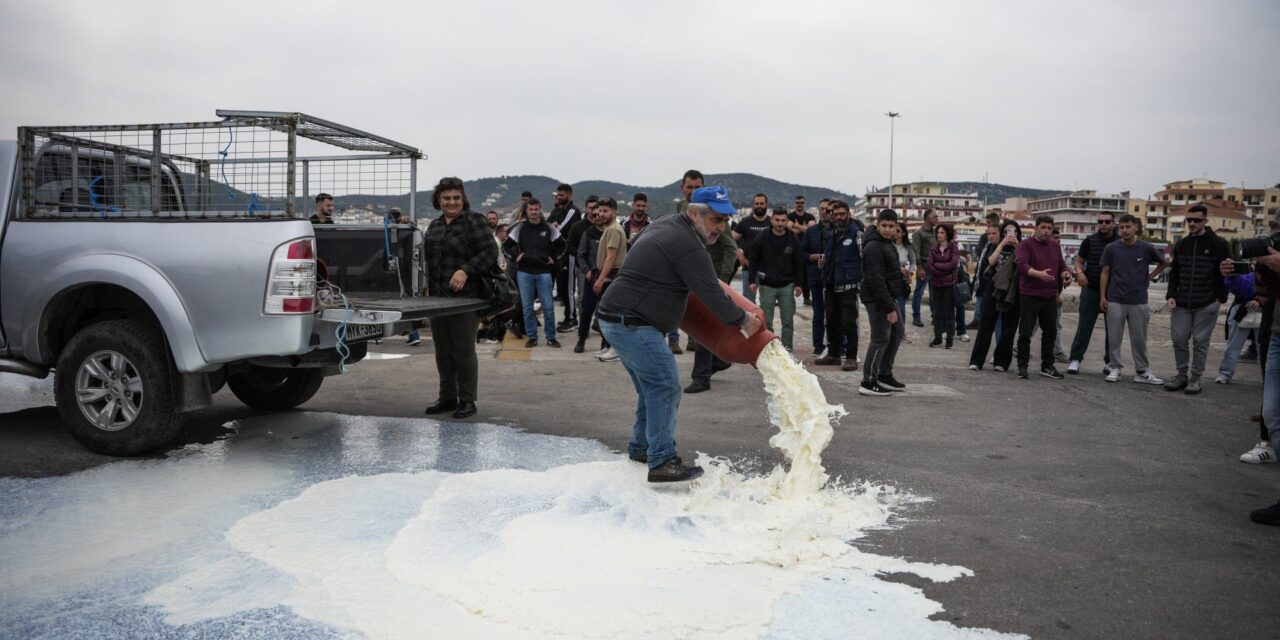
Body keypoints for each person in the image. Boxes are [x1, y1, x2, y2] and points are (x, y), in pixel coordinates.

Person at [596, 185, 762, 483]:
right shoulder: (688, 244)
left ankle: (642, 448)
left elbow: (637, 243)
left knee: (652, 387)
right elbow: (710, 291)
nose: (720, 228)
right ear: (695, 214)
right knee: (665, 385)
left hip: (617, 317)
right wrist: (742, 319)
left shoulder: (665, 222)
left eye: (725, 221)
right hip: (631, 322)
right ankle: (662, 461)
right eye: (716, 220)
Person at [422, 177, 498, 419]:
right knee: (442, 350)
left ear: (463, 199)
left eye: (456, 198)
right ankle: (447, 397)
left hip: (467, 297)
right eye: (446, 198)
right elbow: (426, 259)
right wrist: (425, 285)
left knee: (463, 350)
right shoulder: (433, 226)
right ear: (438, 200)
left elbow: (490, 252)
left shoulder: (474, 221)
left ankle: (467, 400)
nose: (452, 202)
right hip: (437, 298)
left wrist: (465, 270)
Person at [1163, 204, 1230, 394]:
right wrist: (1170, 296)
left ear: (1205, 221)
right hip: (1182, 303)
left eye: (1196, 220)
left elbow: (1228, 273)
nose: (1192, 223)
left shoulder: (1219, 244)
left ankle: (1196, 378)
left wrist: (1220, 298)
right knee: (1179, 339)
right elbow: (1174, 273)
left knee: (1200, 342)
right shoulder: (1181, 244)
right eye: (1189, 220)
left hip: (1207, 303)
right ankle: (1181, 375)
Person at [1099, 214, 1169, 384]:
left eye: (1128, 226)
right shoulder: (1111, 248)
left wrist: (1150, 276)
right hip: (1115, 298)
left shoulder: (1146, 247)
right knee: (1114, 337)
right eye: (1122, 227)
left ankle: (1142, 371)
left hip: (1138, 300)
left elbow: (1164, 262)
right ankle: (1115, 367)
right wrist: (1103, 296)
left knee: (1139, 338)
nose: (1125, 230)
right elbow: (1105, 272)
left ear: (1136, 227)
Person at [1015, 215, 1073, 379]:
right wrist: (1038, 274)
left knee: (1050, 332)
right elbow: (1022, 266)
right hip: (1029, 295)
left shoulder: (1055, 246)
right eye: (1043, 227)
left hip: (1049, 296)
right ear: (1036, 228)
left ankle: (1047, 366)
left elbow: (1061, 266)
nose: (1047, 231)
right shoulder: (1026, 245)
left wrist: (1066, 275)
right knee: (1025, 332)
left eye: (1049, 228)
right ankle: (1022, 366)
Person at [504, 197, 567, 348]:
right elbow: (505, 247)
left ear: (540, 209)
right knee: (527, 308)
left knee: (548, 307)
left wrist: (554, 258)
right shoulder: (519, 228)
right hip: (524, 273)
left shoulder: (549, 228)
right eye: (530, 210)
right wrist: (515, 257)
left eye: (536, 209)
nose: (533, 212)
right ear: (526, 211)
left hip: (544, 272)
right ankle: (532, 337)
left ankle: (551, 337)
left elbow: (563, 246)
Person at [859, 209, 907, 396]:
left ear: (897, 228)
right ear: (877, 225)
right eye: (884, 226)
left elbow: (883, 270)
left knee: (897, 332)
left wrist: (898, 271)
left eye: (891, 226)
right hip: (877, 298)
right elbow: (875, 279)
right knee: (880, 338)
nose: (887, 229)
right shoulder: (874, 246)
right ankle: (868, 381)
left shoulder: (886, 243)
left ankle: (884, 374)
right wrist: (889, 308)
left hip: (887, 296)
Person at [1066, 212, 1119, 374]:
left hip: (1114, 291)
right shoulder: (1089, 241)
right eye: (1100, 222)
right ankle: (1075, 359)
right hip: (1091, 289)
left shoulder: (1120, 242)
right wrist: (1080, 273)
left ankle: (1109, 362)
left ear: (1113, 223)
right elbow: (1079, 261)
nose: (1103, 224)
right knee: (1084, 326)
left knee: (1113, 329)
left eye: (1107, 221)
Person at [814, 200, 862, 371]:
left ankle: (850, 357)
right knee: (831, 321)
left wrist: (861, 283)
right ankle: (833, 354)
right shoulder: (831, 234)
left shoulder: (856, 234)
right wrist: (823, 264)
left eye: (843, 214)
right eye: (836, 214)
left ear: (848, 214)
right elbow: (831, 257)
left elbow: (864, 259)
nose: (839, 217)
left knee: (849, 322)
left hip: (848, 285)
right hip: (831, 283)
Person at [748, 208, 805, 351]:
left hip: (787, 284)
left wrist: (799, 284)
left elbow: (799, 262)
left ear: (787, 221)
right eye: (777, 220)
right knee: (766, 322)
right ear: (772, 220)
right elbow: (753, 259)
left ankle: (787, 350)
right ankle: (770, 351)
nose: (780, 223)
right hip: (767, 284)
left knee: (788, 321)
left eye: (783, 220)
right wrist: (752, 280)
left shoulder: (793, 238)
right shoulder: (762, 237)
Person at [969, 221, 1022, 371]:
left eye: (1013, 231)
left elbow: (1023, 263)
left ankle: (1002, 362)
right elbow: (990, 262)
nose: (1010, 234)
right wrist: (1002, 244)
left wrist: (1017, 246)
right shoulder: (995, 246)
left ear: (1018, 233)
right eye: (1006, 231)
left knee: (1008, 326)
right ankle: (977, 361)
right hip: (993, 286)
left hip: (1012, 288)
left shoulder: (1023, 246)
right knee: (986, 323)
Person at [590, 199, 628, 362]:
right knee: (606, 315)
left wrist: (601, 279)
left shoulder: (613, 229)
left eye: (605, 211)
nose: (601, 214)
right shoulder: (610, 229)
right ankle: (607, 346)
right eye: (600, 211)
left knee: (612, 315)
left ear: (614, 212)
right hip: (608, 275)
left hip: (611, 276)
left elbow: (611, 257)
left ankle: (616, 349)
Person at [1215, 270, 1260, 384]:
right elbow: (1238, 288)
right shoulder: (1246, 268)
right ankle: (1225, 373)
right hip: (1242, 307)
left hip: (1261, 307)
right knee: (1233, 345)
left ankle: (1269, 376)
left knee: (1264, 347)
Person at [803, 205, 835, 356]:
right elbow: (801, 253)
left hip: (833, 278)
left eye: (828, 210)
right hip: (815, 277)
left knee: (834, 314)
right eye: (822, 209)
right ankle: (818, 346)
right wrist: (812, 257)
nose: (825, 212)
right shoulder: (811, 231)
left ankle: (836, 346)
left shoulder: (837, 231)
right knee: (818, 313)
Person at [573, 207, 605, 353]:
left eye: (600, 214)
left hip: (608, 279)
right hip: (591, 278)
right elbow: (580, 254)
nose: (598, 217)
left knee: (606, 313)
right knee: (586, 311)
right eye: (595, 215)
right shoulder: (588, 233)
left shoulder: (611, 233)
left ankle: (606, 343)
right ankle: (581, 339)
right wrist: (586, 270)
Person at [549, 184, 582, 326]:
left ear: (569, 195)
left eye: (561, 195)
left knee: (568, 288)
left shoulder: (573, 211)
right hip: (557, 254)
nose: (558, 197)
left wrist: (555, 226)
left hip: (569, 254)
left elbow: (558, 230)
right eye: (558, 195)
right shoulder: (557, 210)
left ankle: (571, 317)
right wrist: (554, 226)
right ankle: (568, 316)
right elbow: (548, 225)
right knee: (562, 288)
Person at [732, 194, 774, 302]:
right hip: (749, 269)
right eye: (757, 203)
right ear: (753, 205)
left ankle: (764, 320)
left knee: (768, 302)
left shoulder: (772, 222)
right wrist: (739, 255)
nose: (759, 206)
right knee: (748, 302)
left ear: (766, 205)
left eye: (762, 203)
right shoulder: (745, 222)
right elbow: (730, 239)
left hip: (769, 270)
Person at [926, 224, 960, 349]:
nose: (939, 235)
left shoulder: (954, 248)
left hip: (949, 285)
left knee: (949, 313)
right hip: (936, 284)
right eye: (938, 232)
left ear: (947, 234)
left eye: (942, 232)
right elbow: (930, 266)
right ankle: (937, 338)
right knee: (937, 313)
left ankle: (949, 339)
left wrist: (938, 267)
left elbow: (953, 264)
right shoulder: (933, 248)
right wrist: (942, 269)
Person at [910, 209, 939, 326]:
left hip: (935, 266)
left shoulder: (934, 233)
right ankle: (916, 318)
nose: (937, 218)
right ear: (927, 218)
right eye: (935, 216)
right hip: (924, 265)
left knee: (934, 293)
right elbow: (916, 252)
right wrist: (920, 268)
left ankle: (935, 316)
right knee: (919, 292)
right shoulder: (918, 233)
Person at [892, 220, 916, 344]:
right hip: (890, 279)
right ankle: (890, 333)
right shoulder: (888, 244)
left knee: (900, 307)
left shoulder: (908, 247)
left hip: (902, 280)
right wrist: (898, 268)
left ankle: (901, 333)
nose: (894, 232)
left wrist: (910, 273)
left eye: (897, 230)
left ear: (903, 233)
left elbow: (913, 263)